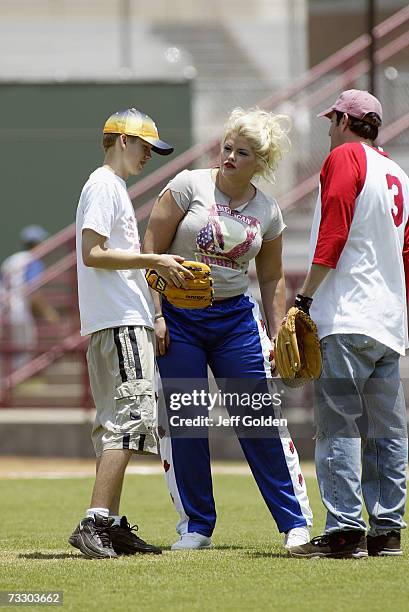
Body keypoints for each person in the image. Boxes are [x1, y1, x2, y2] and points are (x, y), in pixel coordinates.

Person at [143, 107, 313, 551]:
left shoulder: (268, 210)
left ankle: (294, 521)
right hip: (179, 316)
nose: (230, 157)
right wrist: (156, 313)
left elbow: (273, 277)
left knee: (257, 417)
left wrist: (277, 335)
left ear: (262, 162)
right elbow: (150, 250)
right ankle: (196, 526)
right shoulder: (187, 186)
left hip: (236, 319)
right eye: (228, 147)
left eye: (243, 152)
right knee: (186, 420)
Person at [288, 89, 409, 559]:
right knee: (386, 430)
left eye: (331, 118)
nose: (328, 126)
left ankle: (343, 530)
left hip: (347, 314)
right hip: (388, 321)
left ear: (343, 119)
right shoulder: (398, 171)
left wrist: (305, 297)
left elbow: (332, 230)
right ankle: (387, 530)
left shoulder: (346, 157)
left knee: (338, 425)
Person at [69, 107, 194, 559]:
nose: (149, 155)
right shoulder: (104, 185)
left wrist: (155, 311)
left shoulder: (106, 185)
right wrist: (154, 261)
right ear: (123, 140)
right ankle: (96, 520)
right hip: (119, 321)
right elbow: (94, 253)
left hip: (113, 321)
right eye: (145, 146)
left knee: (114, 424)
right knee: (128, 421)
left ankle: (111, 525)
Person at [0, 225, 59, 369]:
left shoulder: (12, 259)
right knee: (25, 347)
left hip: (3, 307)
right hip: (18, 309)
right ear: (38, 243)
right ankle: (16, 383)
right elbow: (33, 292)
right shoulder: (33, 260)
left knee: (9, 350)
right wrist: (48, 313)